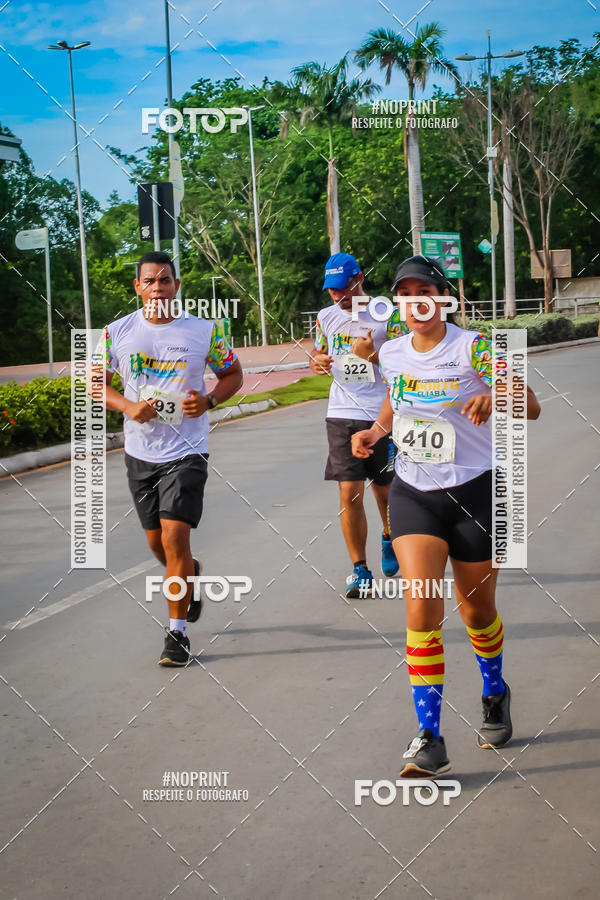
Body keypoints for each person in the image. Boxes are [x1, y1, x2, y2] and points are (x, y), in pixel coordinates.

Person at [351, 255, 541, 776]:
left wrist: (493, 396)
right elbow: (395, 400)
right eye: (406, 294)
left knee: (476, 614)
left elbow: (531, 405)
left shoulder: (474, 347)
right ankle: (430, 735)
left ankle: (494, 689)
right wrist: (375, 431)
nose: (417, 301)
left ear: (444, 296)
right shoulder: (391, 352)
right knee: (422, 610)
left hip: (477, 492)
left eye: (425, 291)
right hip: (415, 493)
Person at [94, 251, 243, 666]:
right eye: (150, 281)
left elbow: (233, 373)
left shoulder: (203, 331)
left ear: (177, 286)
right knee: (158, 545)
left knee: (175, 536)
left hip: (187, 450)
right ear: (137, 287)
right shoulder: (116, 332)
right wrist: (127, 406)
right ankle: (189, 572)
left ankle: (176, 635)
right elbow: (96, 385)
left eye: (166, 280)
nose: (158, 288)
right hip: (140, 452)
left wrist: (210, 398)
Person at [309, 252, 409, 598]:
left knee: (384, 490)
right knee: (349, 491)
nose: (339, 297)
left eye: (343, 288)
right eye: (332, 291)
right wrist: (318, 360)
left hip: (381, 412)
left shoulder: (388, 314)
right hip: (341, 411)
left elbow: (410, 357)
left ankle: (388, 534)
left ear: (359, 279)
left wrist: (374, 356)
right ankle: (360, 570)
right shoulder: (326, 317)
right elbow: (316, 355)